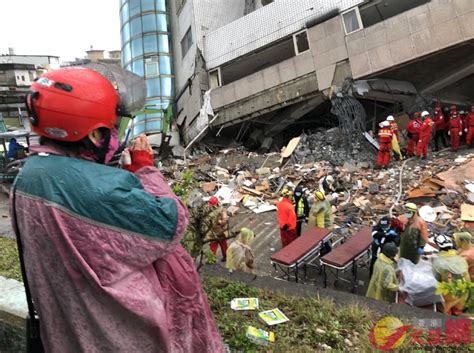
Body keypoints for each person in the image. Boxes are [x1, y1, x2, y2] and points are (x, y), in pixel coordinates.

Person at [13, 67, 224, 353]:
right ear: (93, 134)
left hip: (67, 331)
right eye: (111, 127)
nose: (115, 135)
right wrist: (146, 170)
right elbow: (172, 223)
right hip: (122, 337)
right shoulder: (103, 187)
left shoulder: (26, 177)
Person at [432, 235, 470, 315]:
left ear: (438, 246)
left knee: (445, 312)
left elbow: (435, 279)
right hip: (464, 293)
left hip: (449, 296)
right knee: (457, 311)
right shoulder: (461, 259)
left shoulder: (438, 262)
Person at [206, 195, 229, 262]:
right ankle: (223, 257)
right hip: (215, 230)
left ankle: (212, 259)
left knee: (216, 245)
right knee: (220, 244)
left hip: (220, 230)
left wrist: (219, 222)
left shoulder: (221, 210)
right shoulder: (213, 209)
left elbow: (224, 220)